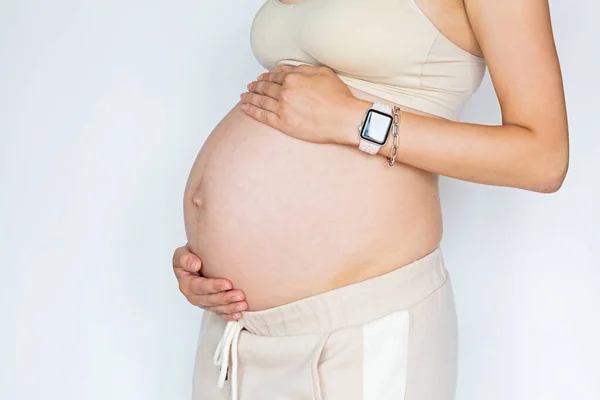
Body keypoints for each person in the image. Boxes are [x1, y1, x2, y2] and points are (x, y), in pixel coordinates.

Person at [174, 0, 569, 399]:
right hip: (234, 333)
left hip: (363, 328)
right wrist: (211, 257)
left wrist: (354, 120)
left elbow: (543, 159)